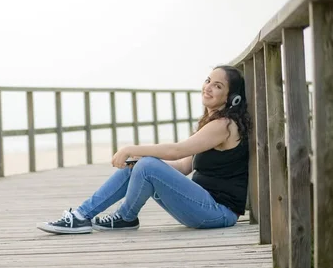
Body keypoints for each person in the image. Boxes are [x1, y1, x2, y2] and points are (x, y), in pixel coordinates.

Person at [37, 65, 251, 234]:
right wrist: (142, 162)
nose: (208, 87)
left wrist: (133, 149)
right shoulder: (211, 122)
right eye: (208, 81)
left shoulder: (223, 126)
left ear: (233, 98)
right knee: (140, 165)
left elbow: (177, 150)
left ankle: (126, 217)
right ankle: (82, 216)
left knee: (147, 163)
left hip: (218, 213)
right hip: (201, 206)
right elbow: (184, 165)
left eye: (218, 86)